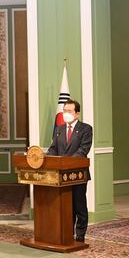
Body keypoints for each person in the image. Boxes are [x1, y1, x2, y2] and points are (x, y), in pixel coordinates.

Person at [47, 99, 92, 243]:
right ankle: (67, 233)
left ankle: (80, 235)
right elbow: (53, 148)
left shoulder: (86, 129)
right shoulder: (59, 129)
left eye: (69, 111)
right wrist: (49, 158)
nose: (66, 113)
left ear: (77, 114)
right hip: (60, 174)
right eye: (64, 110)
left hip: (77, 173)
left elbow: (83, 150)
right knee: (66, 206)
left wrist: (66, 163)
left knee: (79, 205)